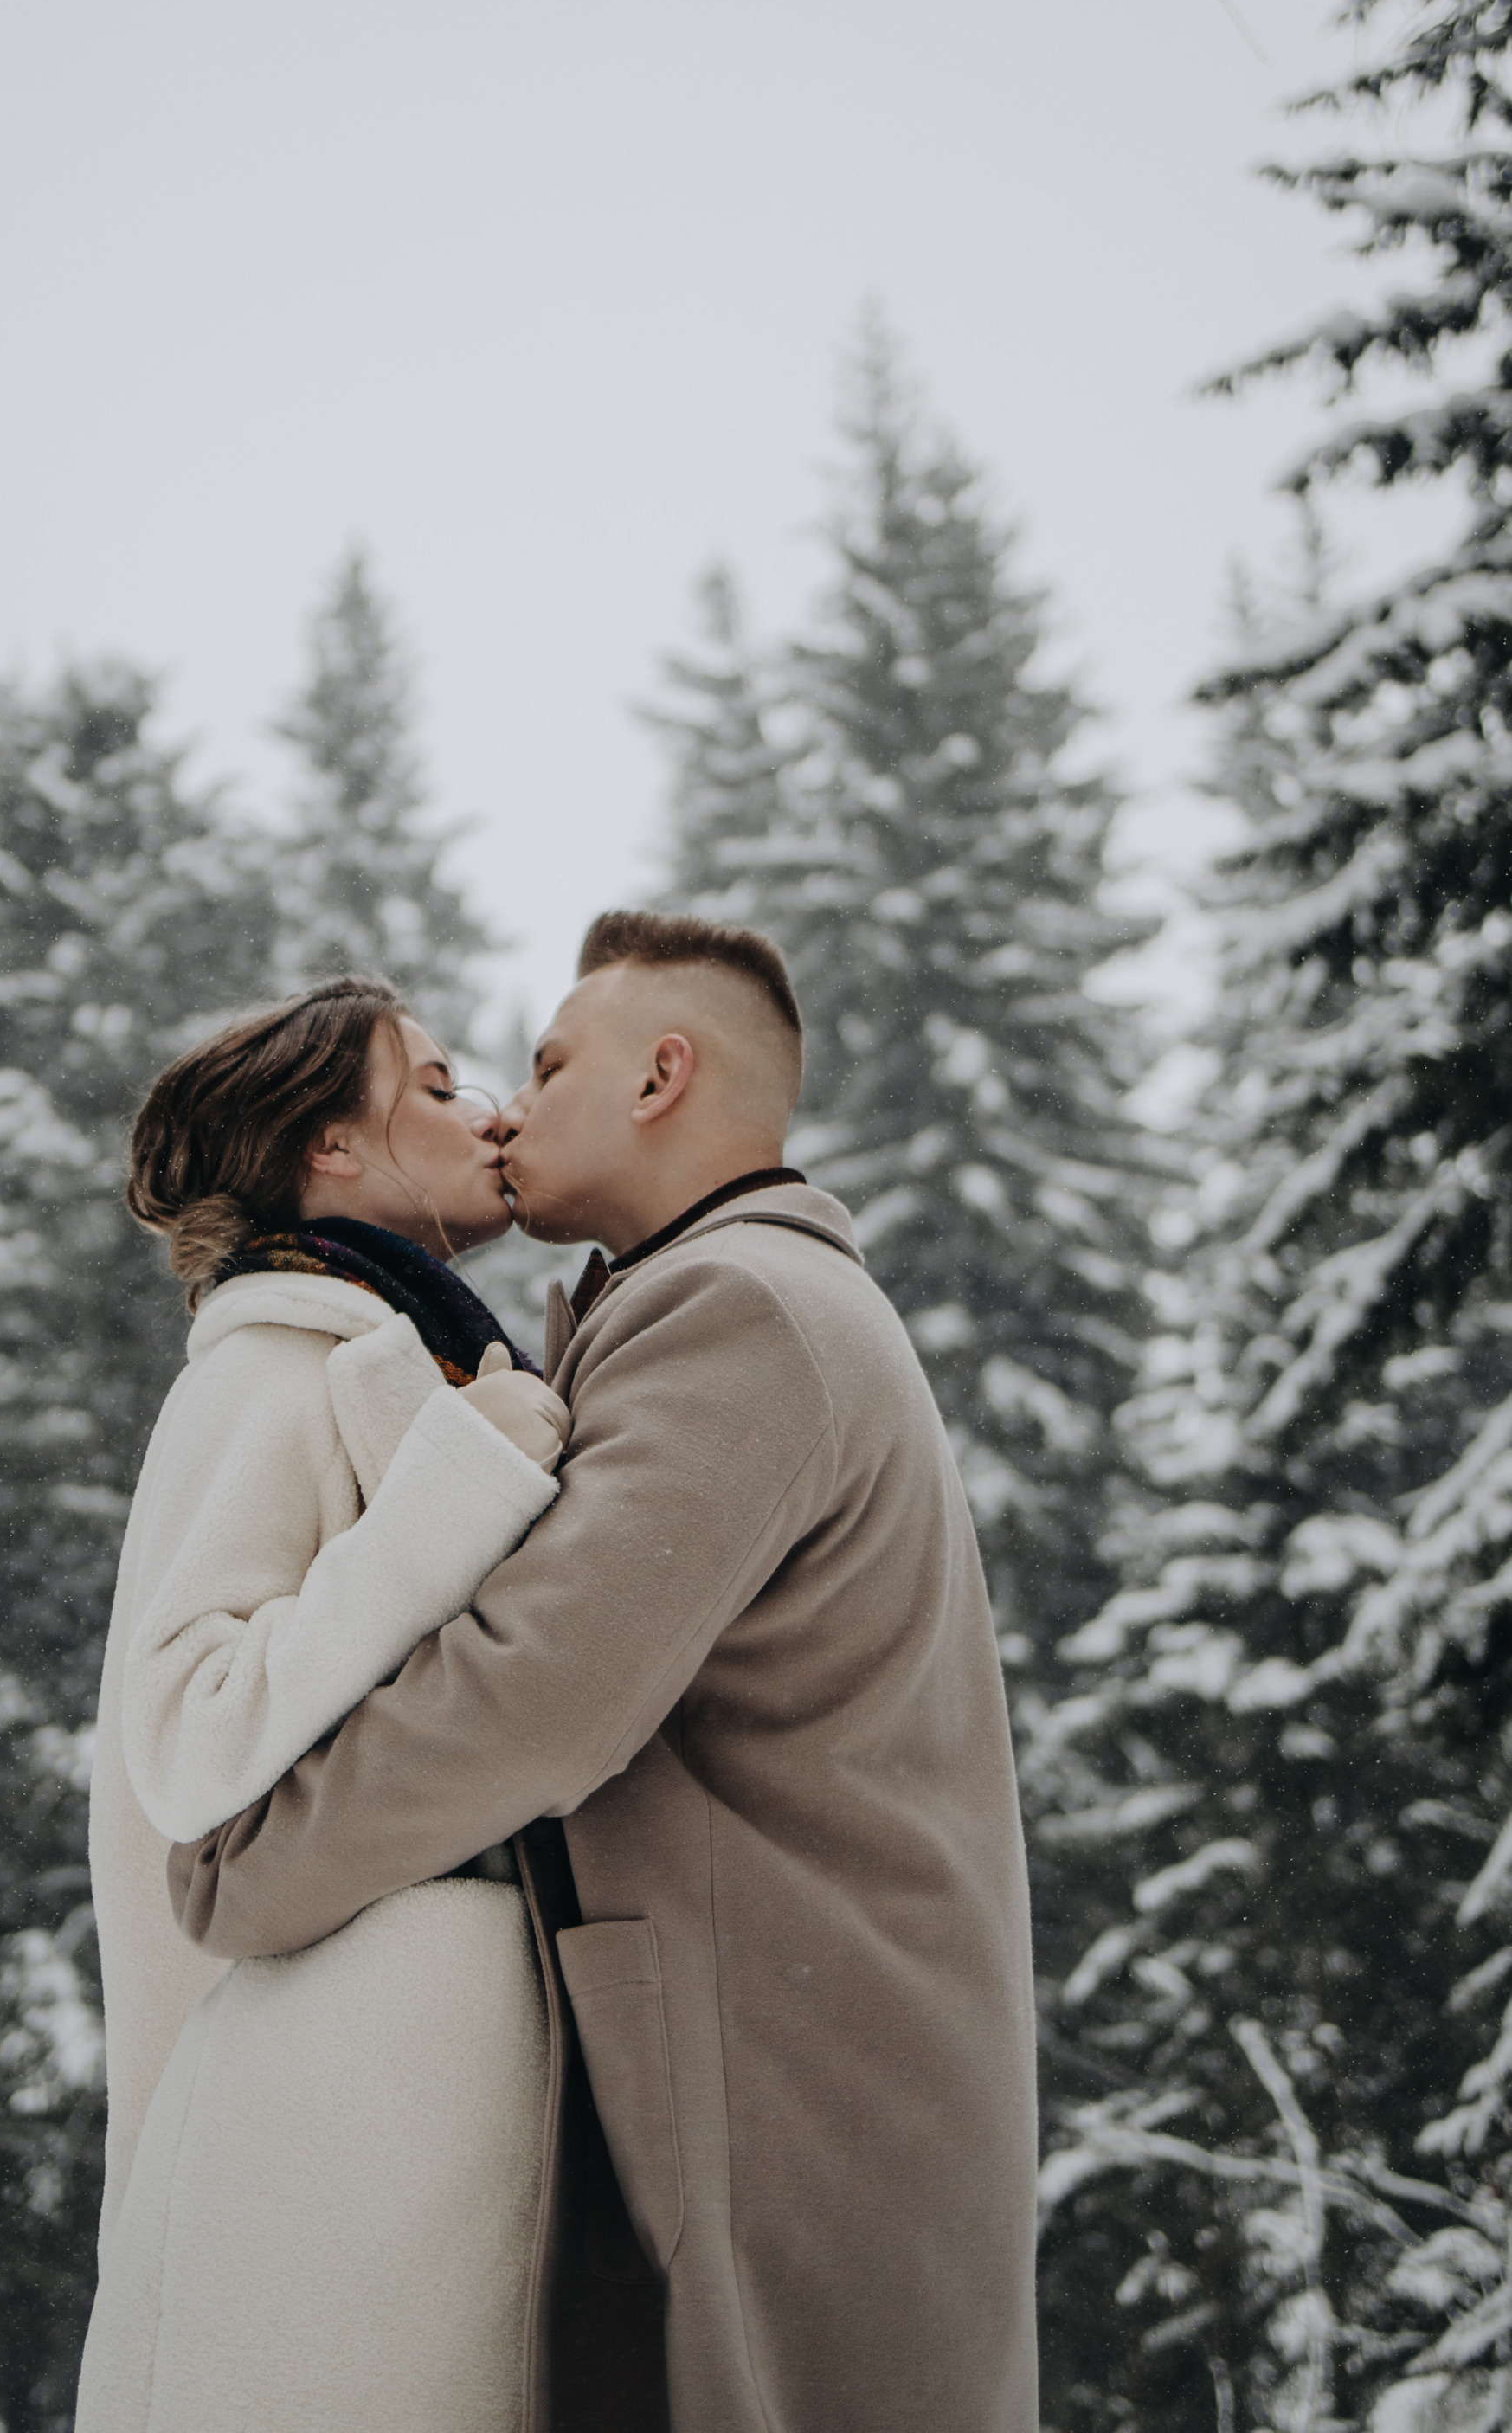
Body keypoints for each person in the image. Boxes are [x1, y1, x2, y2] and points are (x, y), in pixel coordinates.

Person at [172, 911, 1041, 2433]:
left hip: (785, 2090)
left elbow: (535, 1693)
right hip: (788, 2061)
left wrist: (249, 1867)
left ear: (660, 1076)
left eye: (549, 1062)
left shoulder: (740, 1310)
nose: (511, 1104)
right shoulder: (716, 1302)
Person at [76, 976, 572, 2433]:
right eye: (432, 1086)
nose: (483, 1113)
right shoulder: (274, 1367)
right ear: (330, 1154)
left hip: (379, 2101)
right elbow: (185, 1731)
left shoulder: (391, 1341)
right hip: (316, 2120)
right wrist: (460, 1484)